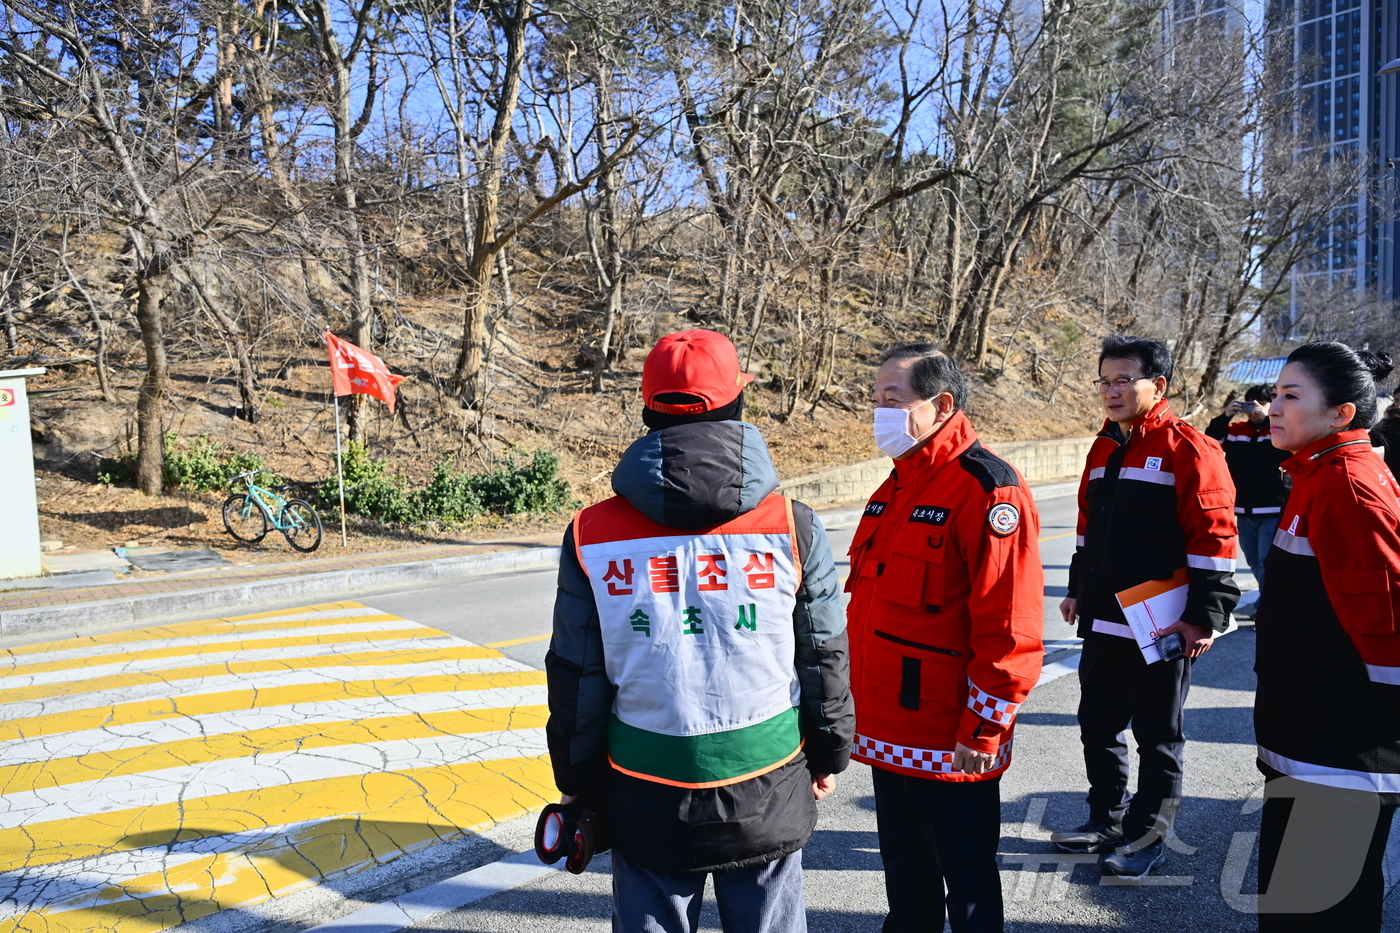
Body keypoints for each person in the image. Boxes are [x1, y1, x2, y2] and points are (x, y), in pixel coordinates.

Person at [545, 329, 854, 933]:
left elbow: (577, 673)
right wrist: (829, 752)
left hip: (644, 783)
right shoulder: (793, 526)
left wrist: (578, 782)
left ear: (647, 408)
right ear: (737, 403)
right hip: (768, 774)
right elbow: (822, 655)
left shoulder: (591, 533)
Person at [845, 343, 1044, 933]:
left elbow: (1009, 627)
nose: (879, 412)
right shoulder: (898, 484)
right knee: (905, 872)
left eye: (893, 399)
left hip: (952, 737)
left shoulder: (987, 489)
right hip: (888, 729)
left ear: (943, 404)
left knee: (968, 879)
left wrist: (984, 728)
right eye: (876, 399)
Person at [1053, 335, 1239, 879]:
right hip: (1106, 614)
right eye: (1104, 380)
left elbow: (1214, 538)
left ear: (1157, 385)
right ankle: (1105, 817)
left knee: (1157, 734)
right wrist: (1075, 588)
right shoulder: (1104, 445)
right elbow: (1089, 527)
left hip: (1163, 621)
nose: (1110, 391)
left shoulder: (1191, 448)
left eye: (1122, 380)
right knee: (1097, 721)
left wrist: (1203, 617)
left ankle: (1147, 836)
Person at [1254, 342, 1400, 931]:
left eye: (1292, 396)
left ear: (1341, 414)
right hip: (1313, 741)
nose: (1273, 407)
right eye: (1274, 393)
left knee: (1316, 912)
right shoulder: (1319, 474)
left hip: (1340, 754)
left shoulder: (1348, 486)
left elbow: (1388, 622)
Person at [1205, 384, 1289, 612]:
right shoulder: (1236, 430)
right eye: (1251, 403)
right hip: (1242, 508)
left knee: (1266, 561)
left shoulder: (1280, 429)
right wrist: (1226, 415)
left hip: (1271, 506)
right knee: (1253, 560)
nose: (1256, 408)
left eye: (1261, 403)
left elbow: (1285, 451)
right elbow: (1209, 442)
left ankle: (1269, 606)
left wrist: (1268, 419)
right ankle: (1269, 601)